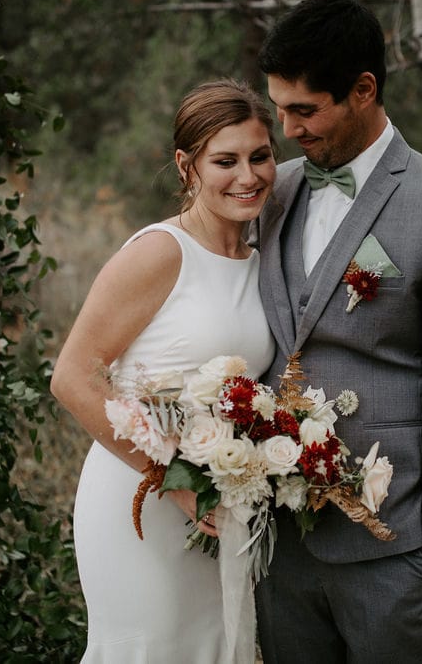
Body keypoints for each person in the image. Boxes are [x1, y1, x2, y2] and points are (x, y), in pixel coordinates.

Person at [253, 0, 422, 663]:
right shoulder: (271, 192)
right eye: (279, 108)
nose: (286, 127)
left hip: (391, 547)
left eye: (303, 110)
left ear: (363, 89)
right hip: (279, 542)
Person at [50, 79, 277, 663]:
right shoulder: (159, 253)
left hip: (222, 504)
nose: (247, 176)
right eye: (225, 160)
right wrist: (174, 482)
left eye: (260, 156)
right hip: (144, 499)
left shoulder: (262, 262)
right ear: (187, 166)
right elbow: (73, 377)